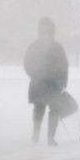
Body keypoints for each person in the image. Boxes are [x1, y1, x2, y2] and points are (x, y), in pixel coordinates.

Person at [23, 16, 69, 146]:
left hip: (55, 85)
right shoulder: (34, 47)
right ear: (40, 31)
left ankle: (51, 138)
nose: (47, 33)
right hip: (39, 84)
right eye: (45, 30)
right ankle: (36, 134)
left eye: (49, 30)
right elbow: (27, 64)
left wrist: (63, 82)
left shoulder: (58, 47)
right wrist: (37, 75)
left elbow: (65, 66)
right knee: (39, 110)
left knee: (55, 111)